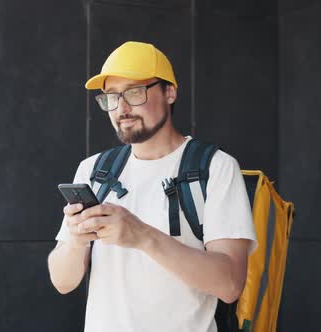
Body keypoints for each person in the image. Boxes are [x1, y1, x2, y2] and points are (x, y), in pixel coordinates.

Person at [47, 41, 257, 332]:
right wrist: (77, 239)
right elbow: (62, 282)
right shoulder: (94, 170)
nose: (121, 108)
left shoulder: (215, 168)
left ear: (169, 92)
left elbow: (231, 284)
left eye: (134, 92)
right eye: (111, 96)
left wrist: (142, 236)